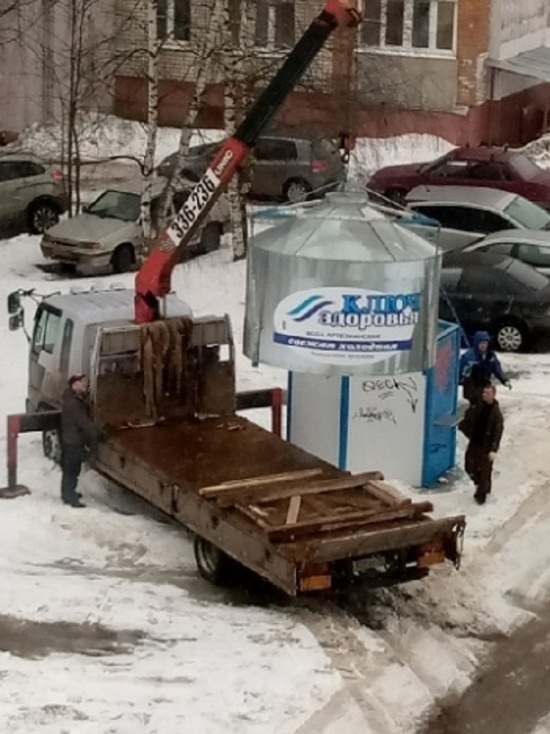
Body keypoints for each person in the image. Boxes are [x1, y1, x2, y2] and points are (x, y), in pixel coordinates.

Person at [458, 384, 504, 505]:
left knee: (484, 471)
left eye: (487, 393)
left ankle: (481, 495)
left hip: (486, 446)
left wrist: (494, 449)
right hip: (474, 442)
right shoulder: (478, 406)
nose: (484, 395)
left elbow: (498, 432)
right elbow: (468, 418)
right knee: (469, 467)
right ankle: (481, 485)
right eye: (484, 393)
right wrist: (462, 426)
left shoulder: (496, 413)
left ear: (493, 395)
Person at [60, 374, 99, 508]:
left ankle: (69, 493)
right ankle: (69, 497)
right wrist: (97, 433)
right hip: (73, 440)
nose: (85, 385)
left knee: (72, 469)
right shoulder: (73, 403)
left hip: (72, 438)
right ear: (74, 385)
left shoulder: (74, 399)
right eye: (82, 383)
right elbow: (83, 422)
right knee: (71, 469)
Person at [459, 331, 511, 405]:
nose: (483, 345)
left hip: (485, 384)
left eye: (485, 343)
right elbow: (461, 370)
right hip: (472, 386)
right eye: (481, 343)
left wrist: (504, 380)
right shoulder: (469, 356)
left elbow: (497, 369)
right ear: (477, 344)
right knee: (479, 404)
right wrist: (462, 379)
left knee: (489, 403)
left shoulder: (490, 356)